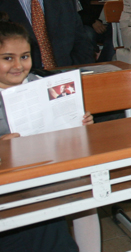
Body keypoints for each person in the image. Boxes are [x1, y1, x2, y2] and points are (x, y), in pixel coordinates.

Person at [0, 13, 97, 252]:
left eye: (24, 56)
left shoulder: (40, 84)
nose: (18, 65)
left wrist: (80, 123)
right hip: (9, 184)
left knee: (82, 195)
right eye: (7, 58)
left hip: (48, 171)